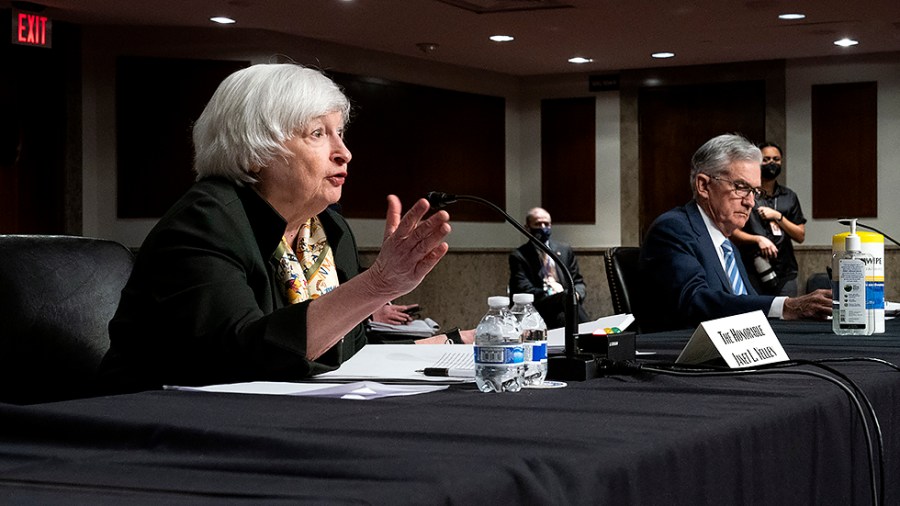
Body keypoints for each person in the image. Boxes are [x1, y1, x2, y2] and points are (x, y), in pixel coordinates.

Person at [98, 63, 472, 394]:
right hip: (149, 431)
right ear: (256, 151)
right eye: (317, 134)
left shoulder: (326, 228)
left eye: (340, 132)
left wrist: (446, 343)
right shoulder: (204, 222)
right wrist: (378, 285)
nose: (344, 152)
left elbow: (345, 350)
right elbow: (245, 357)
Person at [635, 134, 831, 333]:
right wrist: (787, 306)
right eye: (741, 187)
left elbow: (743, 302)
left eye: (755, 192)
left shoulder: (728, 246)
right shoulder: (673, 229)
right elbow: (695, 301)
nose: (750, 202)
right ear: (703, 186)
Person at [730, 142, 806, 296]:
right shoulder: (746, 195)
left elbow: (800, 235)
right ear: (757, 163)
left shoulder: (789, 196)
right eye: (766, 159)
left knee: (787, 316)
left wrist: (778, 217)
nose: (772, 163)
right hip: (752, 269)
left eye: (776, 159)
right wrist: (757, 239)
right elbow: (731, 232)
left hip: (785, 271)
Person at [509, 207, 589, 328]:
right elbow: (523, 288)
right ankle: (591, 332)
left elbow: (578, 281)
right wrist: (552, 293)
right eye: (537, 224)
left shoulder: (564, 250)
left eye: (546, 224)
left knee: (563, 315)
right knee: (565, 297)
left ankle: (586, 338)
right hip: (538, 305)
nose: (542, 227)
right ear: (527, 227)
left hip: (564, 305)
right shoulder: (519, 255)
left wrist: (576, 294)